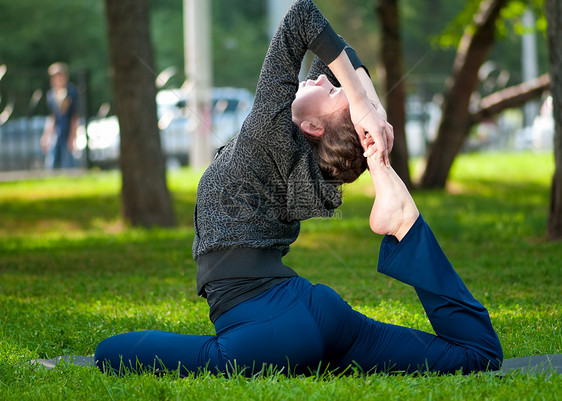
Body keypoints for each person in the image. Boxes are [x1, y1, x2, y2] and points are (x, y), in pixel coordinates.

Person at [94, 0, 502, 377]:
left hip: (263, 331)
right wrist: (368, 109)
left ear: (313, 126)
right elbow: (336, 54)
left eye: (335, 91)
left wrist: (360, 104)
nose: (325, 80)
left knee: (108, 352)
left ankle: (395, 202)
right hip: (319, 313)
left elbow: (301, 17)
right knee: (476, 355)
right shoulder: (312, 157)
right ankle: (403, 219)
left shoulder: (268, 133)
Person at [40, 62, 79, 169]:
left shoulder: (71, 92)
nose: (53, 80)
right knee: (52, 164)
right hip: (57, 134)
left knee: (69, 164)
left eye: (56, 77)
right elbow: (52, 117)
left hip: (67, 133)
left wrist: (73, 137)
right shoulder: (51, 95)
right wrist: (46, 136)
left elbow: (74, 117)